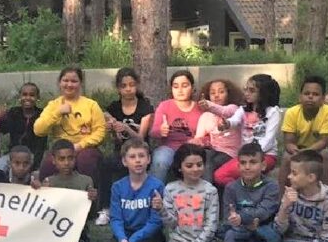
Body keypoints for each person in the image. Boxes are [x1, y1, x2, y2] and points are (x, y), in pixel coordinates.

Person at [96, 68, 154, 226]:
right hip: (121, 151)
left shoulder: (145, 107)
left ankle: (137, 208)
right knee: (105, 164)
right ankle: (105, 208)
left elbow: (141, 138)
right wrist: (112, 128)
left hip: (141, 150)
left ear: (137, 85)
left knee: (132, 162)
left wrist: (126, 128)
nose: (128, 89)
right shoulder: (113, 107)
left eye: (132, 85)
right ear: (118, 88)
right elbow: (115, 138)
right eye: (124, 86)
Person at [33, 66, 107, 181]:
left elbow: (100, 131)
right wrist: (58, 112)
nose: (69, 84)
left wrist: (80, 145)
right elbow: (38, 130)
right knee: (47, 166)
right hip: (60, 148)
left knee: (86, 162)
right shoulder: (53, 105)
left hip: (86, 148)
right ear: (60, 82)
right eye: (65, 80)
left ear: (80, 83)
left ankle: (91, 192)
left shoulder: (91, 105)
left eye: (74, 81)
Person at [210, 74, 282, 186]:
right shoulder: (243, 110)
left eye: (252, 90)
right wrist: (226, 124)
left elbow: (269, 139)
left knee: (243, 173)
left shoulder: (273, 111)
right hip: (245, 155)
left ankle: (252, 189)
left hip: (265, 156)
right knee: (219, 176)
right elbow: (234, 120)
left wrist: (252, 155)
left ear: (263, 93)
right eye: (246, 89)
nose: (247, 93)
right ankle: (242, 190)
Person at [278, 75, 328, 191]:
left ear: (323, 98)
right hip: (298, 148)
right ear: (300, 97)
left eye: (315, 94)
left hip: (320, 149)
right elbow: (288, 142)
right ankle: (282, 197)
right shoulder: (291, 112)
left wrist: (307, 152)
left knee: (326, 154)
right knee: (286, 157)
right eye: (306, 93)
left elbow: (324, 141)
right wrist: (296, 150)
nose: (310, 97)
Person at [148, 70, 204, 181]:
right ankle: (155, 190)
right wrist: (161, 131)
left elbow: (208, 134)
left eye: (185, 86)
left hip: (192, 149)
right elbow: (153, 132)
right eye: (176, 86)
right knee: (160, 160)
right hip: (169, 148)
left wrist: (199, 140)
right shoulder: (165, 106)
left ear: (192, 87)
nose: (180, 90)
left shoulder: (200, 108)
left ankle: (205, 191)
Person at [193, 79, 243, 185]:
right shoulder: (205, 116)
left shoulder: (234, 109)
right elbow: (198, 138)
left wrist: (209, 105)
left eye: (221, 92)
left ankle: (207, 190)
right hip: (213, 151)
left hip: (231, 153)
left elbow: (224, 111)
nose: (216, 95)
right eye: (212, 93)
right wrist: (200, 141)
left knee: (210, 162)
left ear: (228, 94)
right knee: (203, 156)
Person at [0, 82, 46, 173]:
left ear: (38, 97)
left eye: (32, 95)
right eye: (24, 95)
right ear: (20, 97)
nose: (28, 98)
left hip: (32, 155)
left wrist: (35, 164)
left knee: (22, 172)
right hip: (13, 154)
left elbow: (42, 144)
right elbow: (3, 129)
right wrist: (1, 117)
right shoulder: (14, 112)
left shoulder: (42, 115)